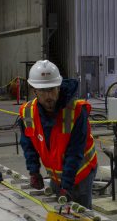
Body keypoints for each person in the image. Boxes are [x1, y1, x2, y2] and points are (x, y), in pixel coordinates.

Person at [19, 60, 98, 209]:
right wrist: (34, 171)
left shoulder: (75, 112)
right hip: (56, 174)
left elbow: (75, 153)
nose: (48, 96)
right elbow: (28, 144)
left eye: (52, 89)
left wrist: (66, 186)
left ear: (59, 87)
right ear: (34, 90)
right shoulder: (28, 112)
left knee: (80, 218)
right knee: (58, 212)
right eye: (42, 91)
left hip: (81, 172)